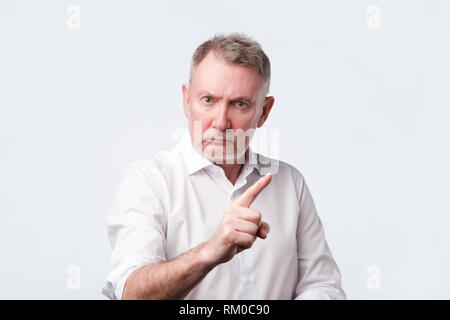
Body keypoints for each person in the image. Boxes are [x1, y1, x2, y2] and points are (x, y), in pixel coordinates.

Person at [101, 33, 346, 300]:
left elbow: (323, 286)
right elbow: (131, 294)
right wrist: (211, 251)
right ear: (187, 99)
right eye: (208, 100)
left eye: (239, 104)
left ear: (264, 112)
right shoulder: (148, 180)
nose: (220, 122)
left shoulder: (289, 182)